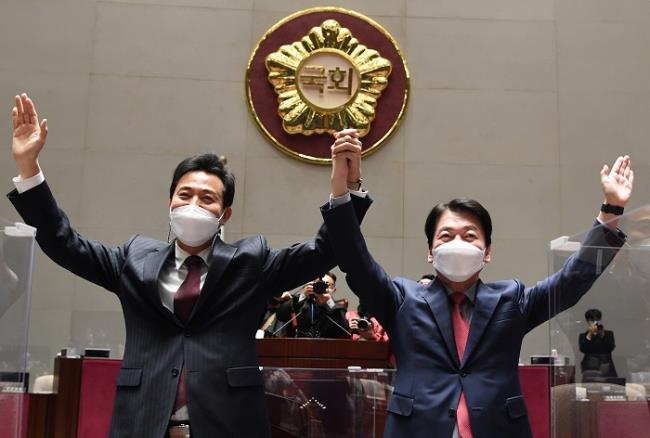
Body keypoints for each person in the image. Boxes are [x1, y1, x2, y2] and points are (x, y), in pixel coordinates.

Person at [6, 94, 371, 438]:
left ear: (224, 214)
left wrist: (347, 187)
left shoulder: (251, 262)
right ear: (170, 203)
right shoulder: (134, 259)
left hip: (228, 425)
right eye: (184, 195)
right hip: (144, 422)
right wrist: (28, 168)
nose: (193, 204)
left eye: (207, 198)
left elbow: (324, 250)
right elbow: (64, 243)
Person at [321, 130, 633, 437]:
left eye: (470, 236)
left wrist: (611, 210)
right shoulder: (402, 298)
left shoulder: (511, 299)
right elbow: (355, 259)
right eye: (446, 236)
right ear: (430, 252)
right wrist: (345, 187)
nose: (458, 242)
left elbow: (570, 282)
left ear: (487, 252)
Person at [276, 272, 350, 339]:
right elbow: (280, 315)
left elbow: (344, 329)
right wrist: (303, 296)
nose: (322, 288)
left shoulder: (337, 308)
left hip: (326, 347)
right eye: (319, 284)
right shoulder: (299, 303)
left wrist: (329, 302)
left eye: (327, 285)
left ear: (333, 289)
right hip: (297, 345)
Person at [579, 309, 618, 380]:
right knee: (589, 385)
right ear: (587, 321)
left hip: (606, 366)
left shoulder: (608, 334)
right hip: (590, 368)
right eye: (592, 320)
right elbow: (583, 349)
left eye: (597, 320)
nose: (595, 322)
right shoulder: (584, 335)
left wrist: (602, 335)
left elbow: (611, 347)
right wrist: (590, 334)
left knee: (609, 386)